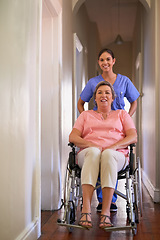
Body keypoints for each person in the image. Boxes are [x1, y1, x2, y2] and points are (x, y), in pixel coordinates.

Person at [77, 48, 140, 212]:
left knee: (110, 155)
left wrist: (126, 117)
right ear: (99, 63)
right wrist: (88, 118)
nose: (105, 63)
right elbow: (80, 103)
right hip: (97, 127)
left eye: (108, 59)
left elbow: (134, 101)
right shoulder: (92, 82)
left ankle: (109, 200)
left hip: (118, 127)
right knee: (97, 152)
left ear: (113, 61)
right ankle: (101, 201)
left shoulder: (124, 81)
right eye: (101, 60)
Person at [69, 81, 137, 229]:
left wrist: (113, 147)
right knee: (94, 152)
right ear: (95, 97)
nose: (103, 95)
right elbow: (73, 137)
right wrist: (92, 145)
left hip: (116, 155)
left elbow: (133, 137)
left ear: (113, 97)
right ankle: (86, 209)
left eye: (107, 92)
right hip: (88, 154)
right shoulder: (86, 115)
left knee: (108, 155)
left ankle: (106, 211)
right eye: (100, 92)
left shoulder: (122, 114)